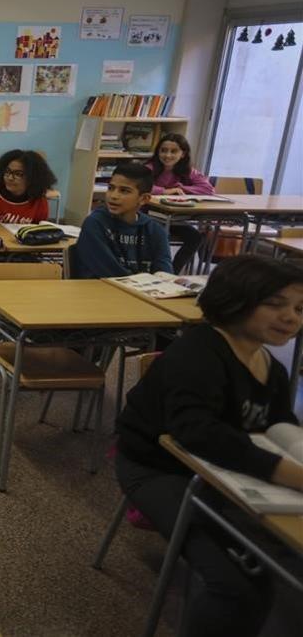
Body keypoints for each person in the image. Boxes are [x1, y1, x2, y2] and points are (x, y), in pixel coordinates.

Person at [115, 254, 303, 637]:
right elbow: (196, 433)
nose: (292, 317)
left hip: (226, 472)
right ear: (234, 299)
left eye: (300, 308)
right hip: (159, 466)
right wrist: (289, 473)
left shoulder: (272, 366)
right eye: (275, 304)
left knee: (282, 560)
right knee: (239, 588)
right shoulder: (198, 353)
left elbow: (279, 423)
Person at [71, 162, 172, 279]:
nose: (113, 196)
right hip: (102, 291)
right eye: (111, 188)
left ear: (144, 198)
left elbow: (165, 272)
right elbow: (109, 273)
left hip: (142, 293)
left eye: (124, 191)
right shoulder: (95, 223)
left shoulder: (155, 230)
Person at [146, 133, 214, 272]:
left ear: (183, 154)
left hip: (175, 219)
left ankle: (172, 271)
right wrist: (165, 191)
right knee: (161, 235)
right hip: (150, 216)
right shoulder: (149, 168)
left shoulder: (188, 171)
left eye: (174, 151)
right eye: (163, 150)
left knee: (195, 237)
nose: (167, 155)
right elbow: (140, 186)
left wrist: (182, 188)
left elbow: (208, 189)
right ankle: (156, 270)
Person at [0, 149, 54, 225]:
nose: (10, 178)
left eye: (18, 174)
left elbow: (39, 232)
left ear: (32, 177)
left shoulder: (39, 199)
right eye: (7, 171)